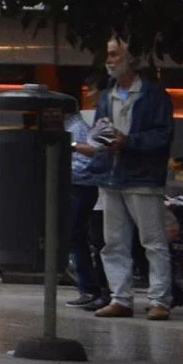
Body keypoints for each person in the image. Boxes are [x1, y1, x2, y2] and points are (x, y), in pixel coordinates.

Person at [90, 32, 173, 321]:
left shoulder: (153, 95)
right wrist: (102, 144)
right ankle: (121, 297)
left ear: (132, 59)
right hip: (113, 176)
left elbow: (163, 136)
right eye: (109, 54)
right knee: (114, 242)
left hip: (141, 177)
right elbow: (100, 131)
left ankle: (159, 299)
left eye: (115, 54)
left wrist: (128, 142)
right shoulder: (108, 94)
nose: (109, 60)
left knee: (153, 240)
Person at [65, 100, 112, 312]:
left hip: (81, 187)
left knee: (78, 236)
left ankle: (91, 288)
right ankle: (92, 287)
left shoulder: (75, 129)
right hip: (83, 187)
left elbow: (88, 161)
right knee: (80, 236)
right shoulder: (74, 127)